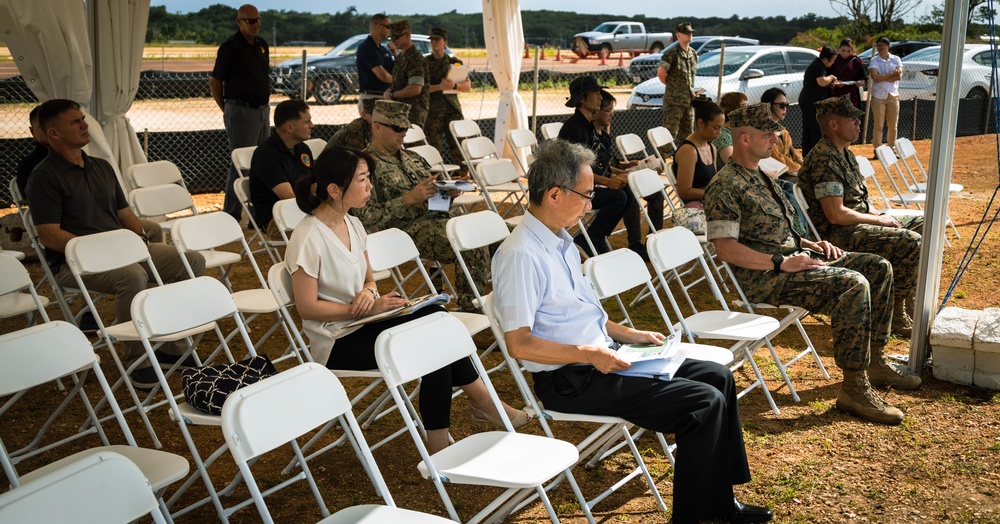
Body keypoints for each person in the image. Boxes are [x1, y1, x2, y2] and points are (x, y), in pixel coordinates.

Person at [492, 138, 773, 524]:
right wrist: (591, 354)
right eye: (586, 194)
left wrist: (630, 335)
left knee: (717, 376)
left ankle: (720, 500)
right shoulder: (521, 255)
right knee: (702, 402)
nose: (592, 203)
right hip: (571, 380)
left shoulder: (560, 244)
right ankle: (698, 515)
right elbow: (518, 343)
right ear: (555, 194)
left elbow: (580, 318)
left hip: (601, 360)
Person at [286, 145, 530, 455]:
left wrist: (368, 294)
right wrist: (358, 307)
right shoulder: (307, 236)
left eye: (368, 177)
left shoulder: (353, 224)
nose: (369, 186)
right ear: (335, 190)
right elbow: (306, 308)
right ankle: (477, 408)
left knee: (436, 321)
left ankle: (459, 427)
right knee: (432, 341)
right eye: (362, 179)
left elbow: (370, 280)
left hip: (365, 322)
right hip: (336, 341)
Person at [703, 103, 918, 426]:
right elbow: (726, 249)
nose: (775, 139)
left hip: (791, 259)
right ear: (744, 139)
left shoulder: (761, 175)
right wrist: (780, 262)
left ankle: (874, 359)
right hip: (764, 276)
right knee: (852, 284)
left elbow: (777, 231)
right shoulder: (725, 185)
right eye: (768, 134)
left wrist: (810, 244)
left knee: (877, 267)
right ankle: (854, 387)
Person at [26, 99, 206, 390]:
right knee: (132, 275)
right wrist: (99, 250)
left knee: (191, 260)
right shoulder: (44, 177)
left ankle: (168, 342)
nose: (85, 125)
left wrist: (141, 241)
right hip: (76, 263)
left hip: (120, 252)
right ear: (54, 133)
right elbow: (49, 235)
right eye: (75, 122)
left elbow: (125, 214)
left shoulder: (100, 166)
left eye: (83, 119)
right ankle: (138, 357)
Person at [797, 95, 924, 339]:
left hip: (856, 223)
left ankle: (907, 299)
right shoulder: (824, 158)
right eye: (851, 118)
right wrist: (879, 221)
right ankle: (897, 312)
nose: (858, 122)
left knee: (922, 224)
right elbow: (836, 214)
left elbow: (861, 202)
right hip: (839, 234)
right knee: (911, 242)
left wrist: (882, 216)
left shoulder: (844, 153)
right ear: (834, 125)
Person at [358, 100, 488, 312]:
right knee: (471, 244)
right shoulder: (364, 165)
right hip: (401, 235)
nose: (403, 134)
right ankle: (472, 310)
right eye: (398, 128)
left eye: (406, 129)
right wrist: (408, 199)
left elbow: (436, 207)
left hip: (437, 224)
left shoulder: (413, 158)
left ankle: (500, 302)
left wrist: (447, 195)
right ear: (377, 126)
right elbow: (364, 216)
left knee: (496, 234)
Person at [210, 3, 271, 224]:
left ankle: (258, 213)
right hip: (242, 112)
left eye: (258, 20)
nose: (255, 25)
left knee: (261, 161)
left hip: (263, 111)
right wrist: (227, 109)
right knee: (241, 163)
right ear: (239, 22)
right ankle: (231, 214)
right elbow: (215, 82)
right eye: (250, 21)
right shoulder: (230, 47)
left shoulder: (262, 45)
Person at [557, 76, 627, 256]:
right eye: (595, 93)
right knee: (618, 196)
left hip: (584, 186)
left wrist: (611, 176)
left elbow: (591, 166)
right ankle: (590, 238)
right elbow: (576, 170)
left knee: (628, 194)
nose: (600, 97)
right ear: (582, 99)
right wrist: (608, 182)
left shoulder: (586, 126)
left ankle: (598, 236)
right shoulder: (574, 128)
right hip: (571, 190)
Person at [594, 90, 662, 258]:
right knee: (628, 193)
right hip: (602, 182)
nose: (612, 114)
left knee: (656, 193)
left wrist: (626, 167)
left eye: (612, 110)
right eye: (608, 110)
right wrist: (617, 176)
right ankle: (635, 243)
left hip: (613, 176)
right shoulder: (590, 136)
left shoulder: (604, 134)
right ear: (595, 111)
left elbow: (607, 165)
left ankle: (655, 239)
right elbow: (596, 170)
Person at [248, 99, 314, 238]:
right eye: (306, 122)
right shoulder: (266, 154)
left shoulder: (302, 148)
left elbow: (314, 184)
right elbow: (287, 196)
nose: (312, 125)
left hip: (303, 212)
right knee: (318, 236)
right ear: (289, 127)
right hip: (278, 219)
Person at [760, 87, 810, 236]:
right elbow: (778, 159)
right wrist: (799, 169)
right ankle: (804, 232)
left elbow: (794, 154)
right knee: (803, 185)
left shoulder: (783, 130)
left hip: (788, 172)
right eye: (781, 105)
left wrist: (805, 166)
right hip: (778, 175)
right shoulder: (764, 132)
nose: (785, 109)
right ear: (769, 106)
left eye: (786, 105)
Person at [424, 27, 471, 169]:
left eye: (437, 39)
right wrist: (439, 86)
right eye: (432, 39)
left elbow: (467, 85)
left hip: (452, 110)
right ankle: (437, 178)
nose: (434, 42)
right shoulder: (424, 62)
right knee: (434, 147)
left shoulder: (455, 62)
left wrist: (454, 85)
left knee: (459, 145)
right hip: (433, 112)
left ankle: (464, 176)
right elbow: (420, 89)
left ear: (445, 42)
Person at [674, 101, 724, 203]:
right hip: (696, 205)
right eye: (716, 128)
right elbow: (684, 192)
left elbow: (713, 182)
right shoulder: (689, 151)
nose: (719, 132)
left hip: (710, 200)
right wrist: (714, 194)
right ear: (700, 123)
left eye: (721, 128)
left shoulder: (711, 148)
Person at [657, 23, 699, 139]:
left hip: (689, 101)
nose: (690, 35)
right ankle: (663, 156)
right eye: (687, 33)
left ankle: (683, 156)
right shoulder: (671, 53)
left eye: (691, 33)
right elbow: (661, 74)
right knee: (669, 133)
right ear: (679, 35)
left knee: (688, 134)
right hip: (674, 101)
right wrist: (673, 87)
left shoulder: (693, 54)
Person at [385, 20, 429, 127]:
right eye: (391, 37)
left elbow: (415, 89)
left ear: (408, 35)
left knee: (412, 144)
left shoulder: (414, 59)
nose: (393, 40)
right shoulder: (401, 57)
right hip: (401, 112)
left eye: (396, 37)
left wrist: (392, 95)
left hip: (412, 114)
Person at [799, 46, 839, 156]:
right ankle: (817, 153)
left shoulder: (818, 64)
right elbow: (821, 81)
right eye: (832, 60)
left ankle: (809, 153)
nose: (833, 63)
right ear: (825, 59)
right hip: (811, 100)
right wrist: (831, 77)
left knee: (810, 126)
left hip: (809, 99)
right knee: (815, 127)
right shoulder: (819, 66)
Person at [869, 36, 903, 157]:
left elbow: (899, 76)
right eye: (878, 45)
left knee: (893, 125)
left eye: (882, 45)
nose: (880, 48)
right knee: (879, 125)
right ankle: (878, 150)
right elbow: (875, 77)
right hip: (879, 96)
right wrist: (892, 74)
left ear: (888, 46)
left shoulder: (896, 59)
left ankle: (891, 148)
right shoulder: (874, 60)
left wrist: (885, 76)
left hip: (893, 94)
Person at [356, 14, 394, 104]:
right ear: (378, 27)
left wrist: (396, 53)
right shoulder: (367, 47)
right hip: (372, 98)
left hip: (384, 96)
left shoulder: (383, 50)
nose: (390, 30)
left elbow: (394, 70)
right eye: (388, 27)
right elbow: (383, 76)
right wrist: (401, 81)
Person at [15, 105, 49, 200]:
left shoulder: (80, 158)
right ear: (32, 131)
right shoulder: (29, 165)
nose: (49, 130)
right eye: (42, 127)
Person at [829, 38, 868, 110]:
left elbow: (864, 77)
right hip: (835, 95)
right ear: (839, 48)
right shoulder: (833, 59)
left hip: (851, 96)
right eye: (843, 50)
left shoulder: (856, 61)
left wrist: (861, 82)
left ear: (852, 51)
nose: (845, 53)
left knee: (850, 119)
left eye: (848, 51)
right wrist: (833, 81)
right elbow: (826, 75)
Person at [714, 92, 748, 165]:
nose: (748, 109)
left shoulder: (737, 132)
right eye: (744, 105)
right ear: (733, 110)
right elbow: (737, 166)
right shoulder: (724, 137)